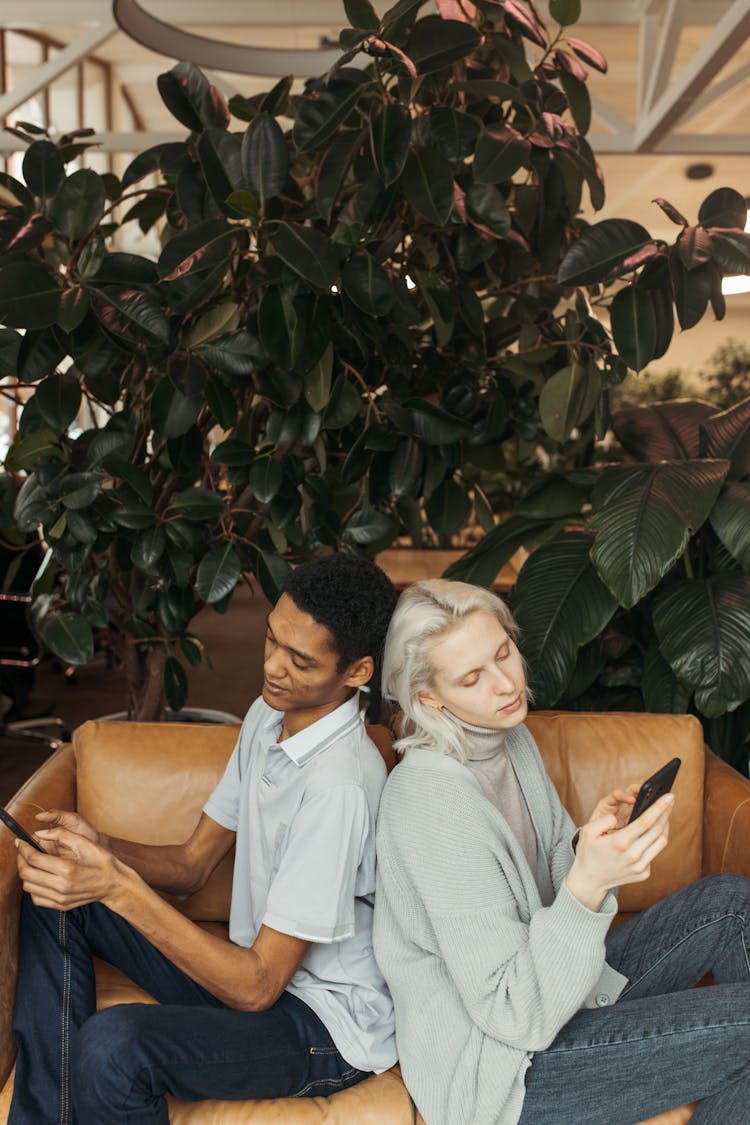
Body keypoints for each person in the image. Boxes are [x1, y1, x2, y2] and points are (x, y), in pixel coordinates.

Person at [12, 552, 399, 1125]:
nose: (272, 667)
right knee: (55, 889)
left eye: (300, 660)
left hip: (322, 1023)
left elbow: (259, 987)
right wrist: (101, 850)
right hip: (247, 975)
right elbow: (194, 865)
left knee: (114, 1049)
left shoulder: (340, 786)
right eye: (271, 640)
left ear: (358, 672)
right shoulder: (267, 718)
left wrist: (118, 885)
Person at [373, 578, 750, 1125]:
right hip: (504, 1069)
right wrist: (590, 883)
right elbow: (513, 1014)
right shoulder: (430, 805)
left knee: (733, 904)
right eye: (472, 678)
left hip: (559, 995)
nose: (505, 684)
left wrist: (585, 846)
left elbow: (548, 870)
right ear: (429, 698)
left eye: (504, 652)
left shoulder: (508, 738)